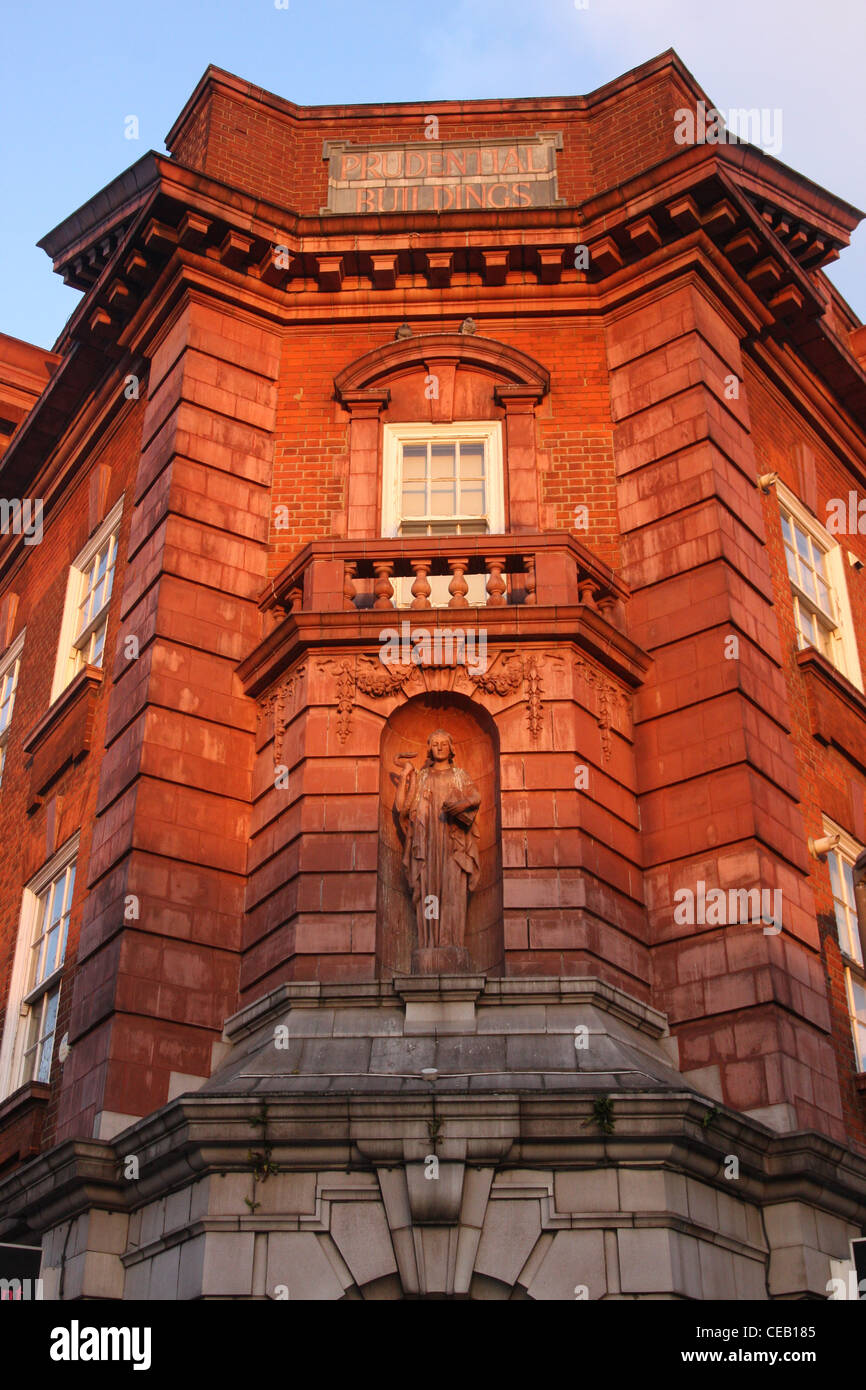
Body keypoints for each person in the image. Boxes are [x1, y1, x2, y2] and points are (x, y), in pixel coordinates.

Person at [395, 730, 481, 950]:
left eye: (444, 743)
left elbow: (475, 797)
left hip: (453, 844)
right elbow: (402, 808)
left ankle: (452, 942)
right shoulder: (422, 776)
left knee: (453, 890)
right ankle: (430, 943)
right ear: (430, 749)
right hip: (428, 843)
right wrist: (406, 775)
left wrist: (459, 806)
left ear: (451, 747)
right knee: (430, 890)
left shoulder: (460, 776)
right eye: (435, 744)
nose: (440, 747)